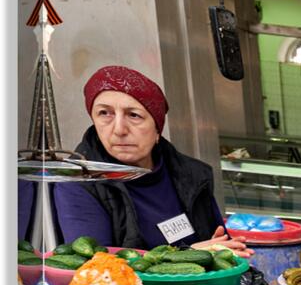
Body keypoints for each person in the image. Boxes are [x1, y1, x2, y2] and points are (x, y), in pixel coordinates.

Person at [52, 66, 252, 257]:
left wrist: (223, 254)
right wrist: (189, 256)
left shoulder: (193, 174)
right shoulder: (78, 183)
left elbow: (219, 246)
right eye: (105, 113)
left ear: (157, 128)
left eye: (134, 115)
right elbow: (94, 271)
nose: (119, 129)